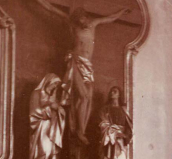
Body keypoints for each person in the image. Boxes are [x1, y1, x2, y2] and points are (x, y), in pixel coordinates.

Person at [35, 1, 130, 145]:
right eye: (79, 20)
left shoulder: (94, 23)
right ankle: (79, 130)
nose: (83, 23)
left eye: (84, 19)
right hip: (75, 62)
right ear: (76, 21)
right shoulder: (73, 25)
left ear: (86, 17)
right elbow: (50, 8)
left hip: (88, 67)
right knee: (83, 96)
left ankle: (81, 128)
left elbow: (110, 18)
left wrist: (122, 11)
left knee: (87, 97)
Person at [26, 73, 66, 159]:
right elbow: (34, 112)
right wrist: (51, 107)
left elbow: (59, 112)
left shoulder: (53, 98)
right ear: (47, 82)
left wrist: (59, 110)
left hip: (51, 130)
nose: (54, 87)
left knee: (49, 155)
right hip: (40, 129)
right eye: (54, 83)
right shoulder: (36, 94)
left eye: (56, 85)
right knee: (42, 153)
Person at [99, 86, 133, 159]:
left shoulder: (123, 110)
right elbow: (102, 124)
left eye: (115, 91)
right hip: (109, 141)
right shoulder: (105, 109)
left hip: (120, 142)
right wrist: (112, 132)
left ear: (119, 94)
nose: (112, 93)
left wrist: (124, 135)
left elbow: (129, 127)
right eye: (111, 91)